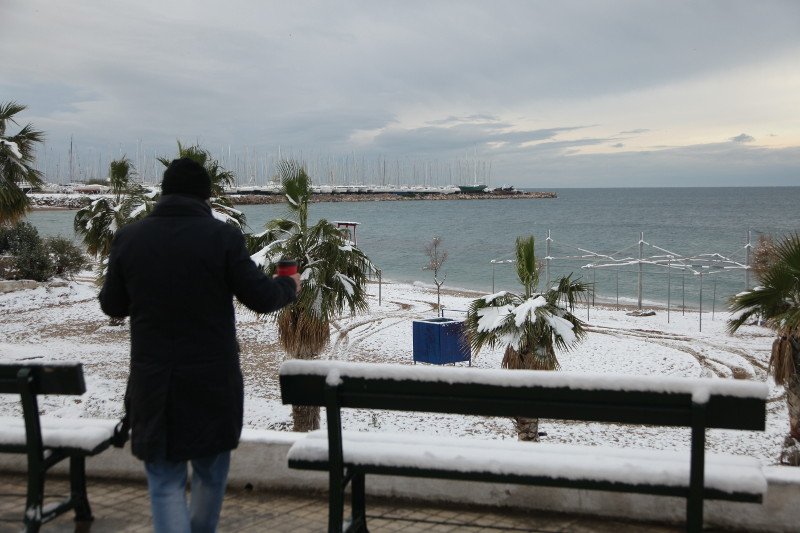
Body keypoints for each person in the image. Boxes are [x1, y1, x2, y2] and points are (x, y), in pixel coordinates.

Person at [99, 157, 299, 533]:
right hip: (211, 382)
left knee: (164, 482)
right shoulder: (222, 237)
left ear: (165, 191)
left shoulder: (130, 238)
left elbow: (113, 305)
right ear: (205, 196)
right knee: (209, 473)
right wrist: (288, 284)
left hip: (154, 382)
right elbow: (260, 298)